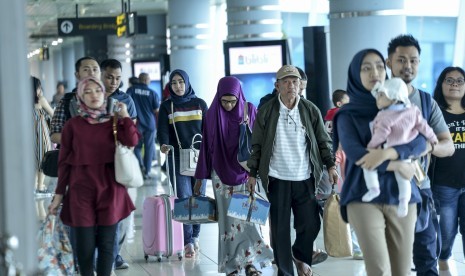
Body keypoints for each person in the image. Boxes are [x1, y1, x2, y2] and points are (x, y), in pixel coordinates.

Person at [332, 48, 429, 276]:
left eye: (378, 66)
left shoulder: (402, 105)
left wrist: (388, 155)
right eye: (366, 68)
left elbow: (421, 142)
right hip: (362, 195)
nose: (374, 72)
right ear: (356, 74)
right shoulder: (346, 114)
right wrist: (397, 165)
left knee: (402, 271)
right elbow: (357, 154)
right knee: (379, 269)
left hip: (401, 195)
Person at [247, 65, 337, 276]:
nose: (291, 86)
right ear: (277, 86)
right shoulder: (267, 111)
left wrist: (331, 165)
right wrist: (252, 173)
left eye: (294, 82)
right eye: (286, 82)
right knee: (280, 230)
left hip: (304, 177)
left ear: (300, 85)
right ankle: (285, 271)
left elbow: (324, 141)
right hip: (276, 178)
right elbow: (257, 145)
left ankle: (301, 256)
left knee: (311, 223)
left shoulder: (310, 110)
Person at [48, 76, 138, 276]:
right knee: (85, 248)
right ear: (80, 96)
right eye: (87, 92)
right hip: (81, 190)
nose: (93, 95)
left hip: (110, 188)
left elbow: (132, 140)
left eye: (97, 91)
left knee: (107, 246)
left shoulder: (114, 121)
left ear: (104, 93)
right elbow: (64, 163)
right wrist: (58, 195)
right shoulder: (73, 126)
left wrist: (124, 116)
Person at [386, 34, 455, 276]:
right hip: (384, 191)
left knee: (426, 258)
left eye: (413, 60)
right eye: (401, 60)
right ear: (388, 63)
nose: (408, 66)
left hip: (420, 189)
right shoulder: (373, 101)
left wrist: (428, 146)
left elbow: (448, 145)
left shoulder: (426, 102)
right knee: (388, 260)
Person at [194, 76, 274, 276]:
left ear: (239, 96)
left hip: (245, 174)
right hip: (220, 175)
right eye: (224, 101)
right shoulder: (211, 114)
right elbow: (206, 148)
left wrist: (258, 172)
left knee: (248, 220)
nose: (229, 105)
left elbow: (257, 145)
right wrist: (200, 179)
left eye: (233, 101)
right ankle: (232, 266)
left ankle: (251, 265)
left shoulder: (249, 110)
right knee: (228, 224)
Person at [362, 78, 438, 218]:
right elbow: (424, 127)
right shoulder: (413, 110)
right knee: (404, 179)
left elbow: (379, 136)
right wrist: (433, 138)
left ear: (393, 98)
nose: (377, 99)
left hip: (389, 149)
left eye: (381, 95)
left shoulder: (384, 116)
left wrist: (371, 148)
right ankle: (404, 202)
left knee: (369, 167)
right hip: (407, 152)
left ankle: (374, 188)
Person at [158, 69, 208, 258]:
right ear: (170, 86)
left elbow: (209, 130)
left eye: (181, 82)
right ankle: (187, 241)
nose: (178, 86)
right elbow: (162, 130)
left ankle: (195, 236)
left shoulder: (200, 104)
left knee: (199, 197)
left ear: (187, 83)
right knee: (184, 198)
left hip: (200, 157)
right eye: (174, 83)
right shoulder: (167, 106)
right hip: (177, 157)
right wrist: (163, 145)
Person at [431, 66, 465, 275]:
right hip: (444, 184)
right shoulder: (435, 113)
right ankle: (444, 259)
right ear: (441, 84)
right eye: (449, 80)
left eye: (460, 80)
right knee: (447, 231)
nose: (455, 84)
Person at [50, 56, 101, 144]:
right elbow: (54, 135)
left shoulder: (111, 103)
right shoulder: (67, 102)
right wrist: (80, 140)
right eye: (86, 70)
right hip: (76, 155)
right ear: (77, 75)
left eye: (95, 69)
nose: (92, 73)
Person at [126, 72, 160, 179]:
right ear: (146, 80)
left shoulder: (131, 90)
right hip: (150, 124)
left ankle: (140, 166)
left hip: (137, 123)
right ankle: (147, 171)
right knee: (149, 147)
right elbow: (156, 110)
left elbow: (127, 105)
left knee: (136, 146)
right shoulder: (153, 93)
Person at [32, 76, 54, 195]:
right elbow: (52, 113)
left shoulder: (24, 101)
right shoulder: (41, 100)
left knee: (35, 161)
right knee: (42, 159)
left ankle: (35, 186)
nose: (41, 90)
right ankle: (40, 187)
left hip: (30, 134)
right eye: (39, 87)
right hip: (40, 133)